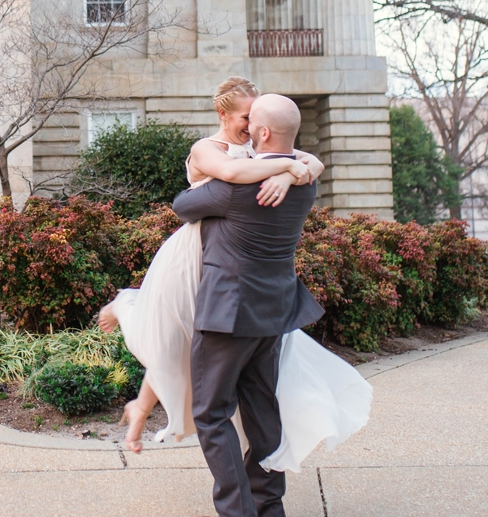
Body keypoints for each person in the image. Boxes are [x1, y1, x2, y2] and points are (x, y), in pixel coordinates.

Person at [171, 92, 372, 517]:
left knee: (212, 413)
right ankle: (269, 507)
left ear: (261, 133)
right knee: (262, 408)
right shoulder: (305, 183)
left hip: (228, 313)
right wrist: (288, 167)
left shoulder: (235, 186)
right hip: (275, 312)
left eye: (251, 125)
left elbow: (183, 205)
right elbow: (305, 162)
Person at [99, 77, 322, 452]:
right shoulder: (207, 149)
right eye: (245, 117)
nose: (250, 126)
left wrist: (285, 174)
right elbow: (235, 176)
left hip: (228, 261)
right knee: (167, 339)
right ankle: (123, 304)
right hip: (192, 258)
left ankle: (140, 407)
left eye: (255, 118)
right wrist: (287, 167)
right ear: (223, 114)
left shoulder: (261, 148)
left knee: (186, 349)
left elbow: (313, 162)